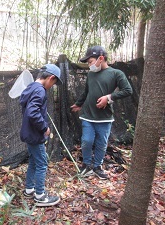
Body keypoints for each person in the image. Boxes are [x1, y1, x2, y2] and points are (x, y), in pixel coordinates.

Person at [71, 46, 133, 180]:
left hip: (104, 117)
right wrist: (78, 104)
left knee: (101, 143)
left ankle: (97, 166)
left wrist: (109, 98)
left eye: (90, 61)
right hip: (88, 115)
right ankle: (87, 165)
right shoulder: (91, 74)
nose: (89, 65)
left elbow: (128, 90)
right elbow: (86, 91)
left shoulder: (116, 73)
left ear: (101, 58)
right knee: (87, 141)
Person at [20, 64, 63, 206]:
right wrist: (44, 127)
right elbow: (32, 112)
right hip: (35, 134)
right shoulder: (40, 91)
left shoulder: (31, 87)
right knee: (42, 163)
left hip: (29, 133)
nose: (52, 85)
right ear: (51, 78)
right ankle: (40, 195)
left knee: (34, 160)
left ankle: (29, 189)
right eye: (54, 82)